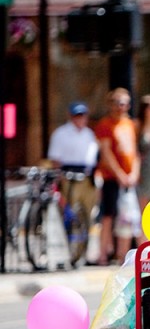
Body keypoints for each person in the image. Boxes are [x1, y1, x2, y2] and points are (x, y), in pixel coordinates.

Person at [93, 88, 141, 264]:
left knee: (127, 217)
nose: (121, 107)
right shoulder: (105, 124)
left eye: (125, 103)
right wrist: (120, 174)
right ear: (111, 104)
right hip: (111, 178)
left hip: (128, 179)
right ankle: (103, 254)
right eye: (118, 103)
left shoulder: (129, 124)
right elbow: (106, 153)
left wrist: (134, 172)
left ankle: (122, 254)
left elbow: (134, 152)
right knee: (108, 216)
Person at [47, 101, 100, 240]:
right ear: (71, 116)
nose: (81, 118)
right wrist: (59, 179)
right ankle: (70, 243)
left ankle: (83, 245)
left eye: (83, 115)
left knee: (88, 212)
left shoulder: (89, 134)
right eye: (77, 115)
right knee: (70, 213)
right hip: (69, 177)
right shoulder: (61, 133)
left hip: (88, 177)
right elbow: (55, 160)